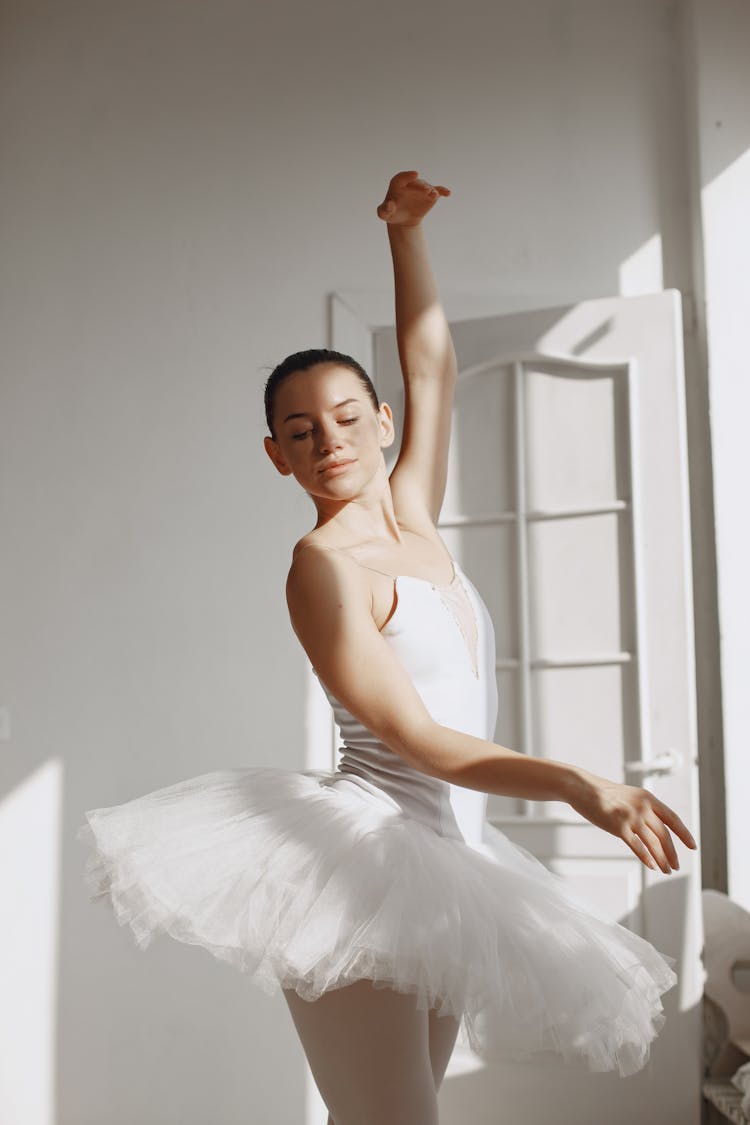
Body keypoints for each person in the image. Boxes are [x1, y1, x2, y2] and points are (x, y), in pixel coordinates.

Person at [77, 170, 698, 1125]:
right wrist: (581, 783)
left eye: (345, 416)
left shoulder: (414, 518)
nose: (328, 439)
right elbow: (416, 737)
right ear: (277, 455)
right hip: (360, 869)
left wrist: (404, 234)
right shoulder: (322, 566)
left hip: (452, 871)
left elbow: (433, 364)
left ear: (383, 424)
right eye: (299, 430)